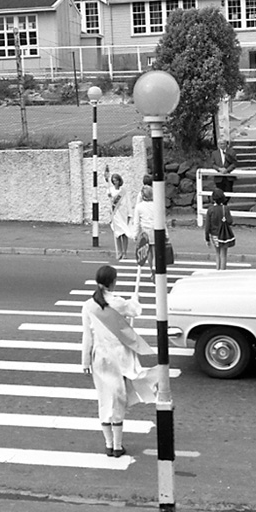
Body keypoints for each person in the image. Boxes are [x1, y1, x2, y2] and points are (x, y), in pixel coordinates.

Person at [81, 265, 159, 457]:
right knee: (119, 399)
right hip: (120, 359)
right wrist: (135, 299)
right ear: (113, 282)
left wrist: (84, 362)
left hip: (99, 359)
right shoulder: (118, 303)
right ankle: (117, 445)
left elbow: (87, 336)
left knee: (104, 399)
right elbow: (135, 310)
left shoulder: (88, 305)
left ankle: (109, 444)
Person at [204, 187, 236, 270]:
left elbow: (207, 226)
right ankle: (223, 271)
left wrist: (207, 238)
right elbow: (230, 221)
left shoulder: (210, 210)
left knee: (217, 253)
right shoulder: (225, 209)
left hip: (214, 234)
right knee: (223, 254)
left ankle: (217, 270)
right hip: (224, 234)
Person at [107, 173, 131, 260]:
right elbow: (110, 202)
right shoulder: (110, 190)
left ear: (119, 181)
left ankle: (125, 252)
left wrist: (129, 215)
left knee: (124, 233)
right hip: (115, 214)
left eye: (116, 180)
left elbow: (128, 202)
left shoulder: (124, 191)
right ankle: (119, 252)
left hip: (123, 214)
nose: (115, 182)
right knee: (117, 234)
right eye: (113, 181)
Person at [133, 185, 156, 277]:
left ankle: (152, 270)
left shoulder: (139, 207)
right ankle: (156, 268)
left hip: (146, 232)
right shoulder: (157, 205)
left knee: (149, 252)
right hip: (156, 230)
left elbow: (137, 223)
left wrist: (135, 234)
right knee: (156, 251)